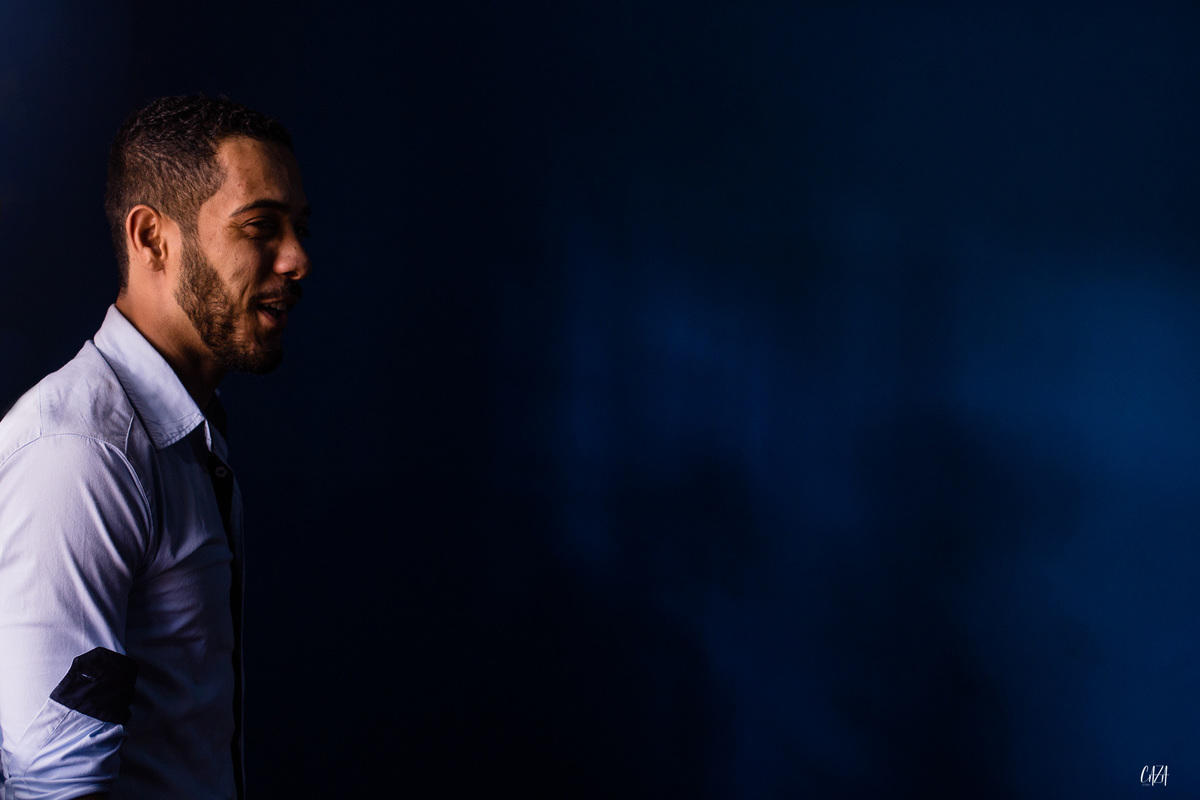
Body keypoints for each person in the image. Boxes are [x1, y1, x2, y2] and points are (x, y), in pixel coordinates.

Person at [0, 95, 311, 799]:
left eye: (299, 227)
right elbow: (56, 789)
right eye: (261, 226)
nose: (298, 259)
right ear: (152, 240)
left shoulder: (183, 429)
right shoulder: (82, 455)